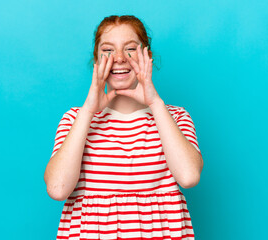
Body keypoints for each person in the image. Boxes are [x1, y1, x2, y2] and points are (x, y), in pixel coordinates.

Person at [44, 15, 203, 240]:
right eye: (108, 50)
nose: (119, 58)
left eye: (130, 48)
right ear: (96, 61)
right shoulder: (74, 119)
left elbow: (189, 177)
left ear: (147, 56)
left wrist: (155, 103)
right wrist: (88, 110)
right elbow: (58, 189)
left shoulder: (176, 117)